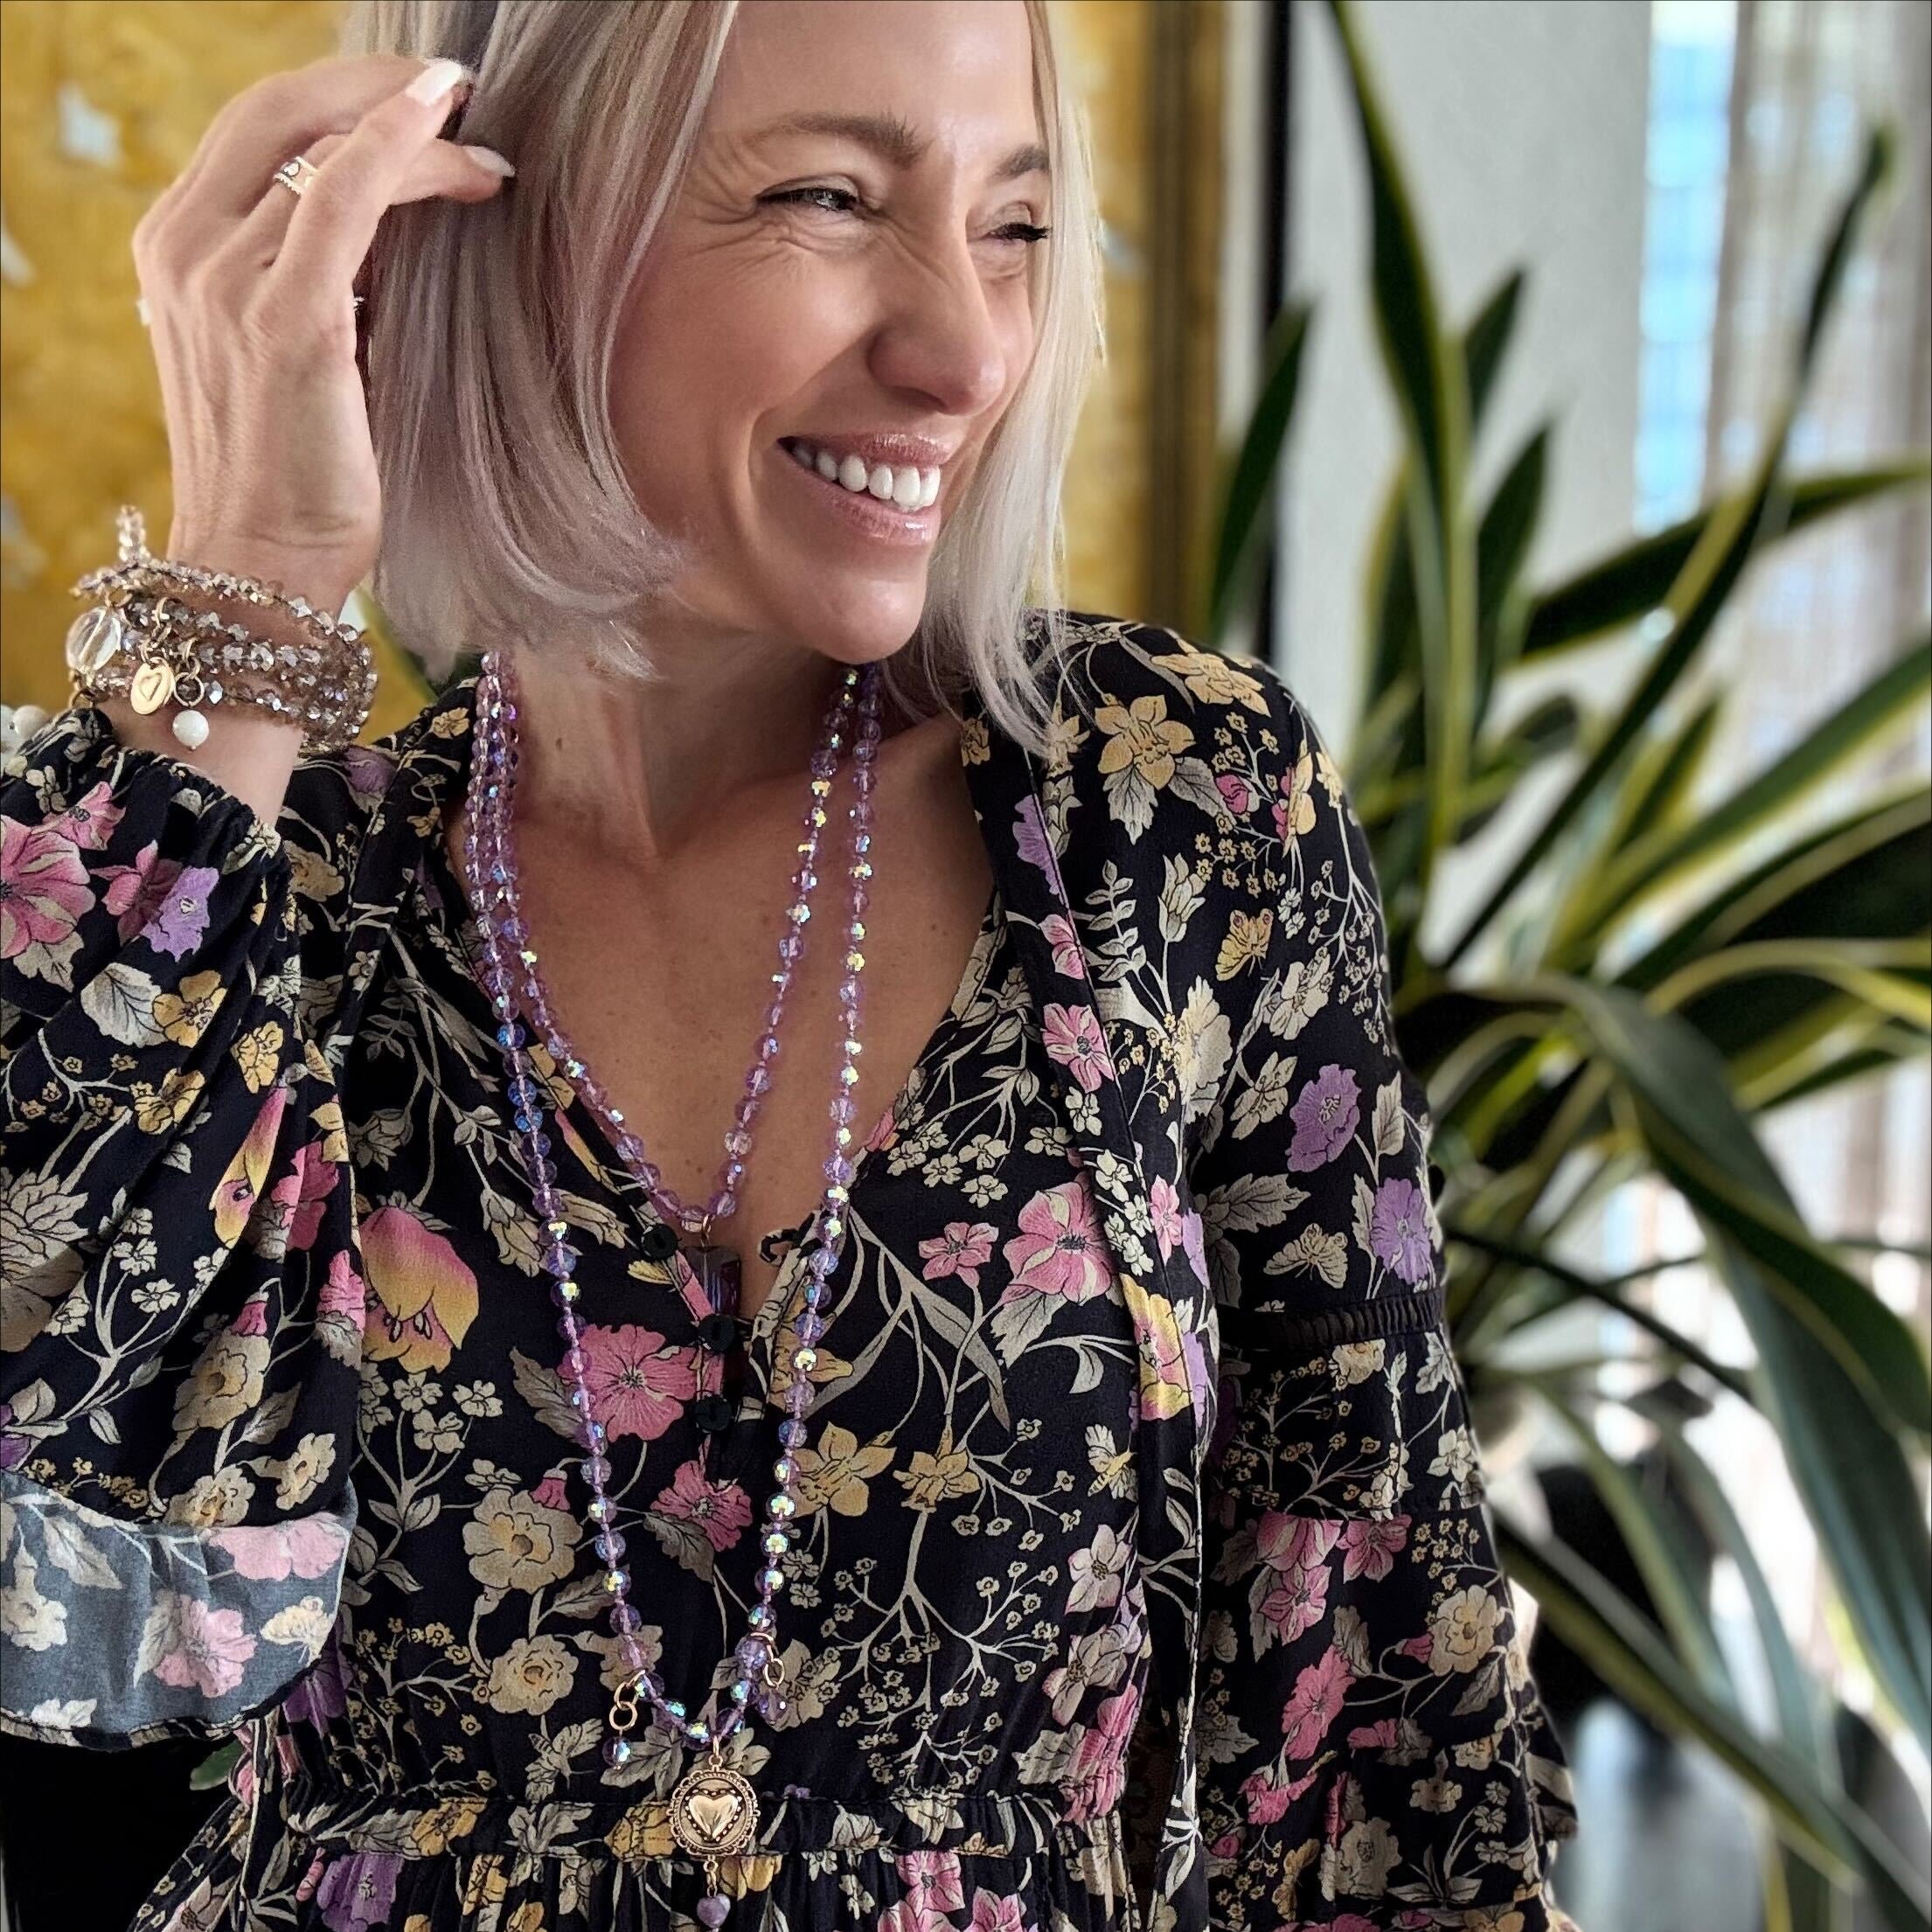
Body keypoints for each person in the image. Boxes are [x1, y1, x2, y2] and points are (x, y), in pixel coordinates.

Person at [0, 3, 1581, 1928]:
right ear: (471, 220)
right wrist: (249, 571)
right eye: (829, 198)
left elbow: (1381, 1681)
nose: (967, 350)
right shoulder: (246, 894)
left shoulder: (1163, 804)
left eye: (1015, 224)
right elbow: (62, 1583)